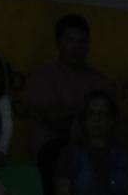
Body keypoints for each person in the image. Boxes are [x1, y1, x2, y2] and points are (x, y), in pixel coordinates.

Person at [26, 14, 115, 174]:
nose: (77, 47)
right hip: (53, 154)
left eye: (82, 42)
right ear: (58, 43)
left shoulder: (102, 81)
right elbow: (56, 121)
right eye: (70, 41)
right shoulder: (42, 78)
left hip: (95, 152)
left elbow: (110, 122)